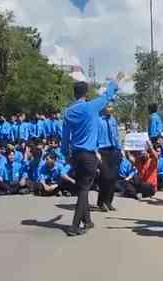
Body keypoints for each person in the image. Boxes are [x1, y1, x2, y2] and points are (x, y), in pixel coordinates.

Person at [61, 80, 118, 236]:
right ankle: (74, 226)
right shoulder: (91, 106)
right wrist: (115, 82)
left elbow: (65, 137)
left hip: (75, 154)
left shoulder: (68, 112)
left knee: (81, 187)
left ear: (74, 94)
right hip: (88, 155)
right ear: (86, 94)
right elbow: (107, 95)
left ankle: (87, 220)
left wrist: (65, 154)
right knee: (84, 189)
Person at [96, 103, 120, 212]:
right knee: (105, 177)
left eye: (112, 106)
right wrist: (96, 152)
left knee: (113, 177)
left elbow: (116, 135)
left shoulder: (113, 120)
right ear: (103, 108)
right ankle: (101, 202)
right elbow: (94, 137)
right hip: (102, 150)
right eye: (109, 106)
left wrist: (120, 149)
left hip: (114, 149)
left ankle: (109, 201)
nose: (111, 108)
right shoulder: (97, 120)